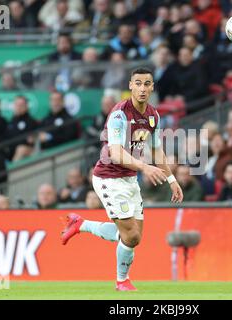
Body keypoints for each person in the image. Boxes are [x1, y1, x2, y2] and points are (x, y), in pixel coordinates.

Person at [60, 68, 183, 291]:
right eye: (138, 83)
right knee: (131, 234)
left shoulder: (153, 116)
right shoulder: (119, 115)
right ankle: (121, 281)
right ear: (130, 86)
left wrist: (172, 179)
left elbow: (156, 150)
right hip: (108, 178)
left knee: (133, 237)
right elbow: (116, 153)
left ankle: (81, 224)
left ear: (152, 87)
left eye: (147, 84)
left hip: (129, 178)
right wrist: (145, 167)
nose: (143, 88)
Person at [5, 96, 38, 161]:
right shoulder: (10, 122)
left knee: (21, 149)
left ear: (26, 106)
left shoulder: (31, 122)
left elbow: (31, 140)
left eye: (21, 105)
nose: (18, 107)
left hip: (26, 152)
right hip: (10, 152)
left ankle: (13, 170)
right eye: (17, 105)